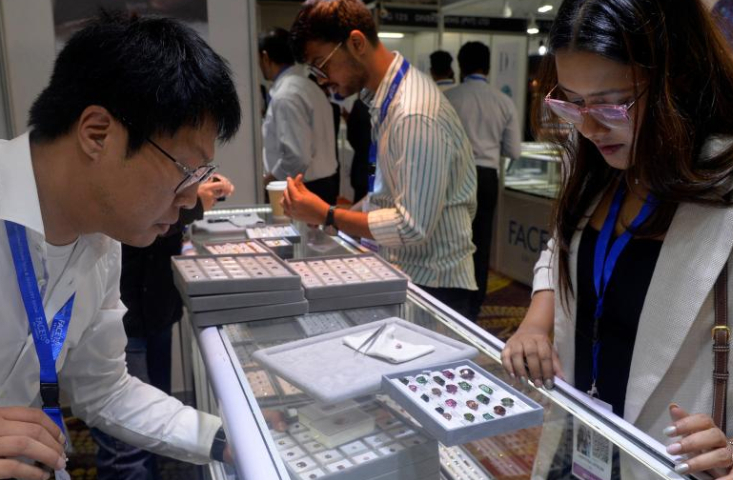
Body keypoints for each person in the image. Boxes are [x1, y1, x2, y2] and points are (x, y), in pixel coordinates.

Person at [501, 0, 733, 479]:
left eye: (610, 102)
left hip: (677, 463)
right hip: (579, 445)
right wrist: (539, 315)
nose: (589, 126)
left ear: (679, 77)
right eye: (571, 101)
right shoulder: (604, 149)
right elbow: (562, 244)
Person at [0, 12, 240, 480]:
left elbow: (105, 388)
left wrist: (226, 440)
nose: (193, 197)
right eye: (186, 169)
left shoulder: (102, 242)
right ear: (97, 134)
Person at [285, 0, 478, 317]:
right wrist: (335, 213)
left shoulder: (413, 112)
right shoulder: (385, 99)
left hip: (435, 285)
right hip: (407, 273)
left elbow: (411, 227)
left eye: (322, 64)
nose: (321, 79)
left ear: (356, 42)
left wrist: (329, 215)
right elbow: (388, 196)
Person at [90, 175, 234, 480]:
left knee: (150, 417)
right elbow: (135, 217)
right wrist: (191, 205)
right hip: (126, 312)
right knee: (126, 448)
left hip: (155, 304)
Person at [445, 41, 521, 321]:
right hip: (487, 177)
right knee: (482, 242)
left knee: (454, 239)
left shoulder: (450, 98)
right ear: (488, 67)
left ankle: (455, 302)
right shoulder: (503, 101)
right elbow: (514, 150)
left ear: (460, 66)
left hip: (455, 176)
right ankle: (476, 306)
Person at [259, 28, 339, 205]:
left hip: (303, 186)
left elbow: (296, 157)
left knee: (298, 232)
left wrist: (268, 182)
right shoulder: (308, 87)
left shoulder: (287, 94)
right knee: (319, 233)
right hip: (323, 184)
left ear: (265, 57)